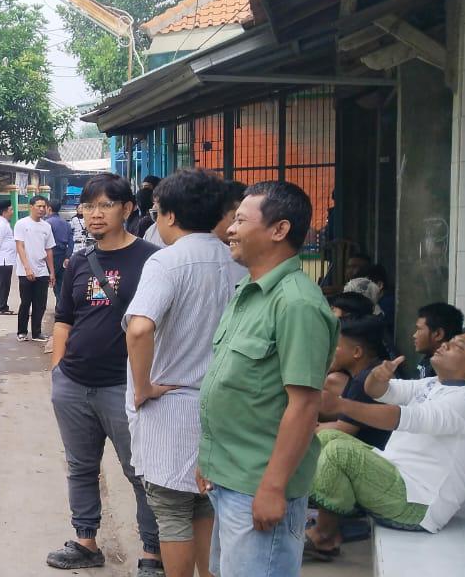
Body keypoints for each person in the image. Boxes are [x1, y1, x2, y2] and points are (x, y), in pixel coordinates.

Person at [198, 181, 338, 577]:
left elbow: (305, 404)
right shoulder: (249, 291)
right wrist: (210, 459)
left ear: (279, 230)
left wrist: (274, 487)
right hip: (230, 476)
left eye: (241, 221)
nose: (230, 229)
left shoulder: (297, 304)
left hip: (258, 485)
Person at [124, 169, 243, 577]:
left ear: (170, 215)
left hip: (172, 410)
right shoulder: (236, 262)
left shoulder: (167, 261)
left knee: (173, 512)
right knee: (205, 505)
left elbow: (139, 328)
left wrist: (143, 387)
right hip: (222, 407)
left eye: (157, 211)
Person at [45, 174, 161, 576]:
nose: (95, 214)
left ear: (127, 209)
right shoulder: (79, 260)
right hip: (73, 383)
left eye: (105, 205)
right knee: (81, 467)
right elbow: (64, 318)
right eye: (89, 206)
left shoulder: (150, 259)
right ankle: (85, 542)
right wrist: (58, 370)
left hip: (124, 386)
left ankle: (153, 552)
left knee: (139, 471)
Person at [306, 329, 465, 561]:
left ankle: (324, 536)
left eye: (458, 346)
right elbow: (378, 391)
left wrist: (341, 405)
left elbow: (405, 417)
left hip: (418, 505)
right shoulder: (433, 383)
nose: (445, 345)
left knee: (340, 453)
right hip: (398, 482)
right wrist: (377, 377)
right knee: (328, 438)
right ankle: (332, 521)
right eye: (449, 341)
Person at [317, 316, 392, 450]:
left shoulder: (363, 381)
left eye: (335, 346)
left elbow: (341, 431)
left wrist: (307, 426)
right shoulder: (368, 372)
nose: (329, 350)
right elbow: (347, 417)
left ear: (357, 352)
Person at [14, 196, 55, 342]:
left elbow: (49, 250)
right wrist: (27, 268)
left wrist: (52, 272)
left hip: (42, 270)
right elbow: (20, 246)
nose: (42, 209)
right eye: (39, 206)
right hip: (25, 271)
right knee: (26, 302)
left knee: (40, 304)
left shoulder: (46, 226)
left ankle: (37, 332)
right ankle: (22, 332)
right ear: (31, 207)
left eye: (44, 206)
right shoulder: (21, 224)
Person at [411, 302, 465, 379]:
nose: (414, 335)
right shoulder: (428, 358)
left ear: (438, 334)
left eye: (419, 329)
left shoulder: (445, 371)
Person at [47, 199, 74, 296]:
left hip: (51, 256)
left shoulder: (47, 223)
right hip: (63, 255)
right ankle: (60, 303)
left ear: (49, 209)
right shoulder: (66, 224)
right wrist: (68, 256)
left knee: (50, 280)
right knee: (61, 283)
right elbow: (71, 242)